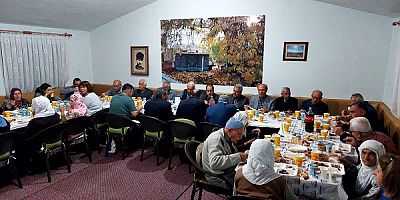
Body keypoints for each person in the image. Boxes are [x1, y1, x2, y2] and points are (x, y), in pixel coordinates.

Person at [16, 95, 61, 174]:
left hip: (39, 143)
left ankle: (22, 168)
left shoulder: (36, 121)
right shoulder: (56, 115)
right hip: (54, 139)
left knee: (18, 140)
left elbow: (27, 134)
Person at [202, 118, 248, 189]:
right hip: (217, 176)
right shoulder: (216, 139)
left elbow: (231, 152)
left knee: (247, 176)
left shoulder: (226, 136)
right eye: (239, 134)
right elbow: (215, 163)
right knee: (246, 186)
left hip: (225, 171)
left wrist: (243, 156)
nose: (241, 137)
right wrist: (239, 157)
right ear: (229, 130)